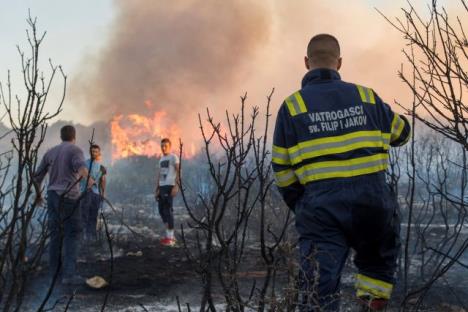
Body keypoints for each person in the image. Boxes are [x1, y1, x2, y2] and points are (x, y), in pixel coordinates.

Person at [271, 34, 411, 311]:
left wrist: (301, 205)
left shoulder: (292, 107)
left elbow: (282, 169)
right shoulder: (366, 96)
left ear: (306, 62)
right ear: (340, 62)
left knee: (317, 292)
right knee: (376, 273)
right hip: (373, 206)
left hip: (322, 212)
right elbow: (402, 134)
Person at [34, 125, 94, 285]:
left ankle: (54, 274)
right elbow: (81, 168)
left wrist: (38, 194)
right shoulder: (75, 151)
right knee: (73, 234)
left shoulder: (50, 152)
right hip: (68, 197)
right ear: (74, 137)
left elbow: (37, 176)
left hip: (52, 196)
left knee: (55, 235)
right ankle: (69, 275)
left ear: (61, 136)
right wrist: (89, 181)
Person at [155, 138, 180, 247]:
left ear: (170, 146)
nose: (163, 148)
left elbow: (179, 171)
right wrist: (157, 189)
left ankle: (170, 238)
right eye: (162, 146)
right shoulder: (161, 160)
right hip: (162, 187)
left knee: (167, 210)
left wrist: (176, 186)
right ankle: (169, 236)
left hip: (170, 186)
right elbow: (159, 174)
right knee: (161, 211)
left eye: (165, 146)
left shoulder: (173, 157)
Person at [80, 144, 107, 241]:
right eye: (92, 151)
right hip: (85, 193)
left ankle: (91, 238)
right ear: (89, 152)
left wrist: (103, 193)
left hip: (96, 194)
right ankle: (82, 238)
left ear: (99, 153)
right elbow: (80, 176)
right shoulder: (85, 164)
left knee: (93, 216)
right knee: (84, 216)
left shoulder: (102, 167)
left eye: (96, 151)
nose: (94, 153)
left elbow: (103, 181)